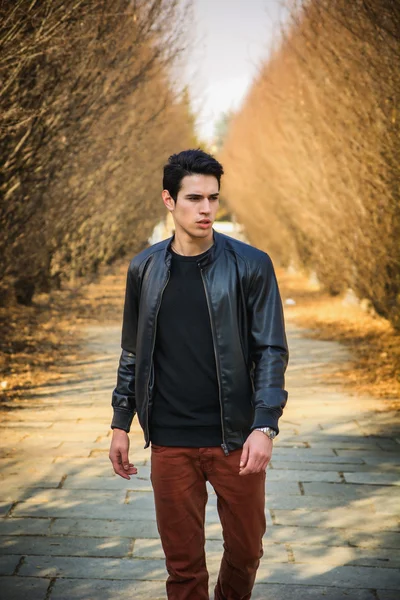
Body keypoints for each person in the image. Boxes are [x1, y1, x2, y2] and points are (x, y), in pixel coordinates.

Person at [109, 149, 289, 600]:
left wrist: (265, 424)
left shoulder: (251, 264)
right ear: (169, 200)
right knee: (184, 568)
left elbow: (271, 349)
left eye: (213, 198)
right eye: (194, 198)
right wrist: (119, 421)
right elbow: (132, 351)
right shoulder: (144, 268)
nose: (206, 209)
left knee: (247, 551)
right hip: (171, 441)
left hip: (237, 439)